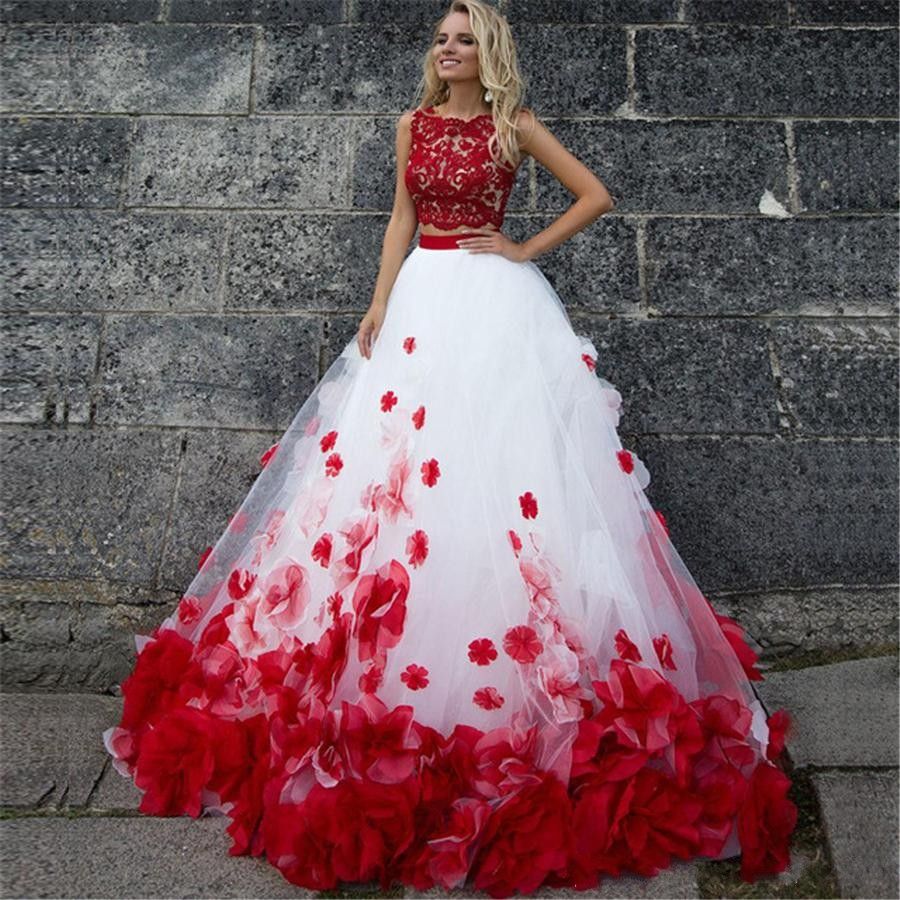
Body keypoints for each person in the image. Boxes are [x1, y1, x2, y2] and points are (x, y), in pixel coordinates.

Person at [101, 1, 798, 896]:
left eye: (464, 38)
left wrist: (521, 248)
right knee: (390, 479)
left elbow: (595, 195)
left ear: (488, 53)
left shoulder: (515, 125)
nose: (448, 48)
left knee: (509, 478)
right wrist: (380, 302)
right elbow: (399, 216)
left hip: (497, 308)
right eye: (441, 37)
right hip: (424, 299)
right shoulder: (412, 123)